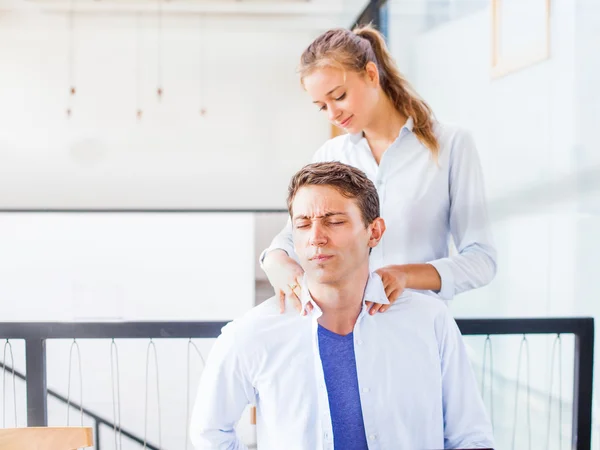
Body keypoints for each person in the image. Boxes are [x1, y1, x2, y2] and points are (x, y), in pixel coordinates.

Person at [190, 162, 494, 450]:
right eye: (303, 224)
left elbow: (470, 437)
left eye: (334, 221)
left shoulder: (430, 321)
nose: (316, 238)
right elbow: (209, 434)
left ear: (374, 232)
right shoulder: (252, 332)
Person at [261, 25, 497, 314]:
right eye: (322, 106)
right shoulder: (331, 154)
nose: (333, 114)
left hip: (417, 326)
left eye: (339, 96)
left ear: (371, 74)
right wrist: (275, 261)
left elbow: (481, 261)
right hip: (341, 326)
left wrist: (405, 275)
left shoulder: (451, 145)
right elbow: (291, 237)